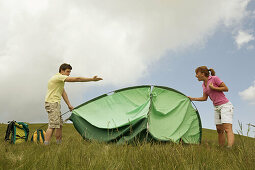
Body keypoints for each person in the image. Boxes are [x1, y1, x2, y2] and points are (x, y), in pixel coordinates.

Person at [44, 63, 103, 145]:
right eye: (67, 72)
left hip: (55, 104)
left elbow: (63, 93)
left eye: (69, 72)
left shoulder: (60, 81)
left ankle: (59, 144)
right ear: (62, 70)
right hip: (52, 103)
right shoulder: (58, 77)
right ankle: (45, 145)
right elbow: (77, 79)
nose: (68, 74)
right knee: (53, 125)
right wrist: (92, 79)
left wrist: (69, 105)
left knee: (59, 125)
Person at [188, 66, 234, 148]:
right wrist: (192, 98)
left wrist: (214, 88)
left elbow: (226, 89)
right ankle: (221, 148)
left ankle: (229, 147)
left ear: (202, 74)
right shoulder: (203, 85)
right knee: (219, 130)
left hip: (225, 105)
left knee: (227, 128)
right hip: (216, 107)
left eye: (197, 74)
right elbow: (204, 98)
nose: (196, 76)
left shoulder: (214, 78)